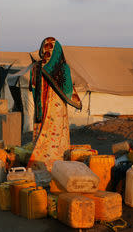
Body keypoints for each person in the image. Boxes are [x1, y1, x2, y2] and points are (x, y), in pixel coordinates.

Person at [27, 37, 82, 171]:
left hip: (41, 107)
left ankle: (40, 163)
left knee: (42, 133)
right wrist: (77, 101)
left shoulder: (36, 67)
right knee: (56, 134)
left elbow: (32, 86)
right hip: (56, 109)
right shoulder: (61, 67)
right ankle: (56, 166)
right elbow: (68, 88)